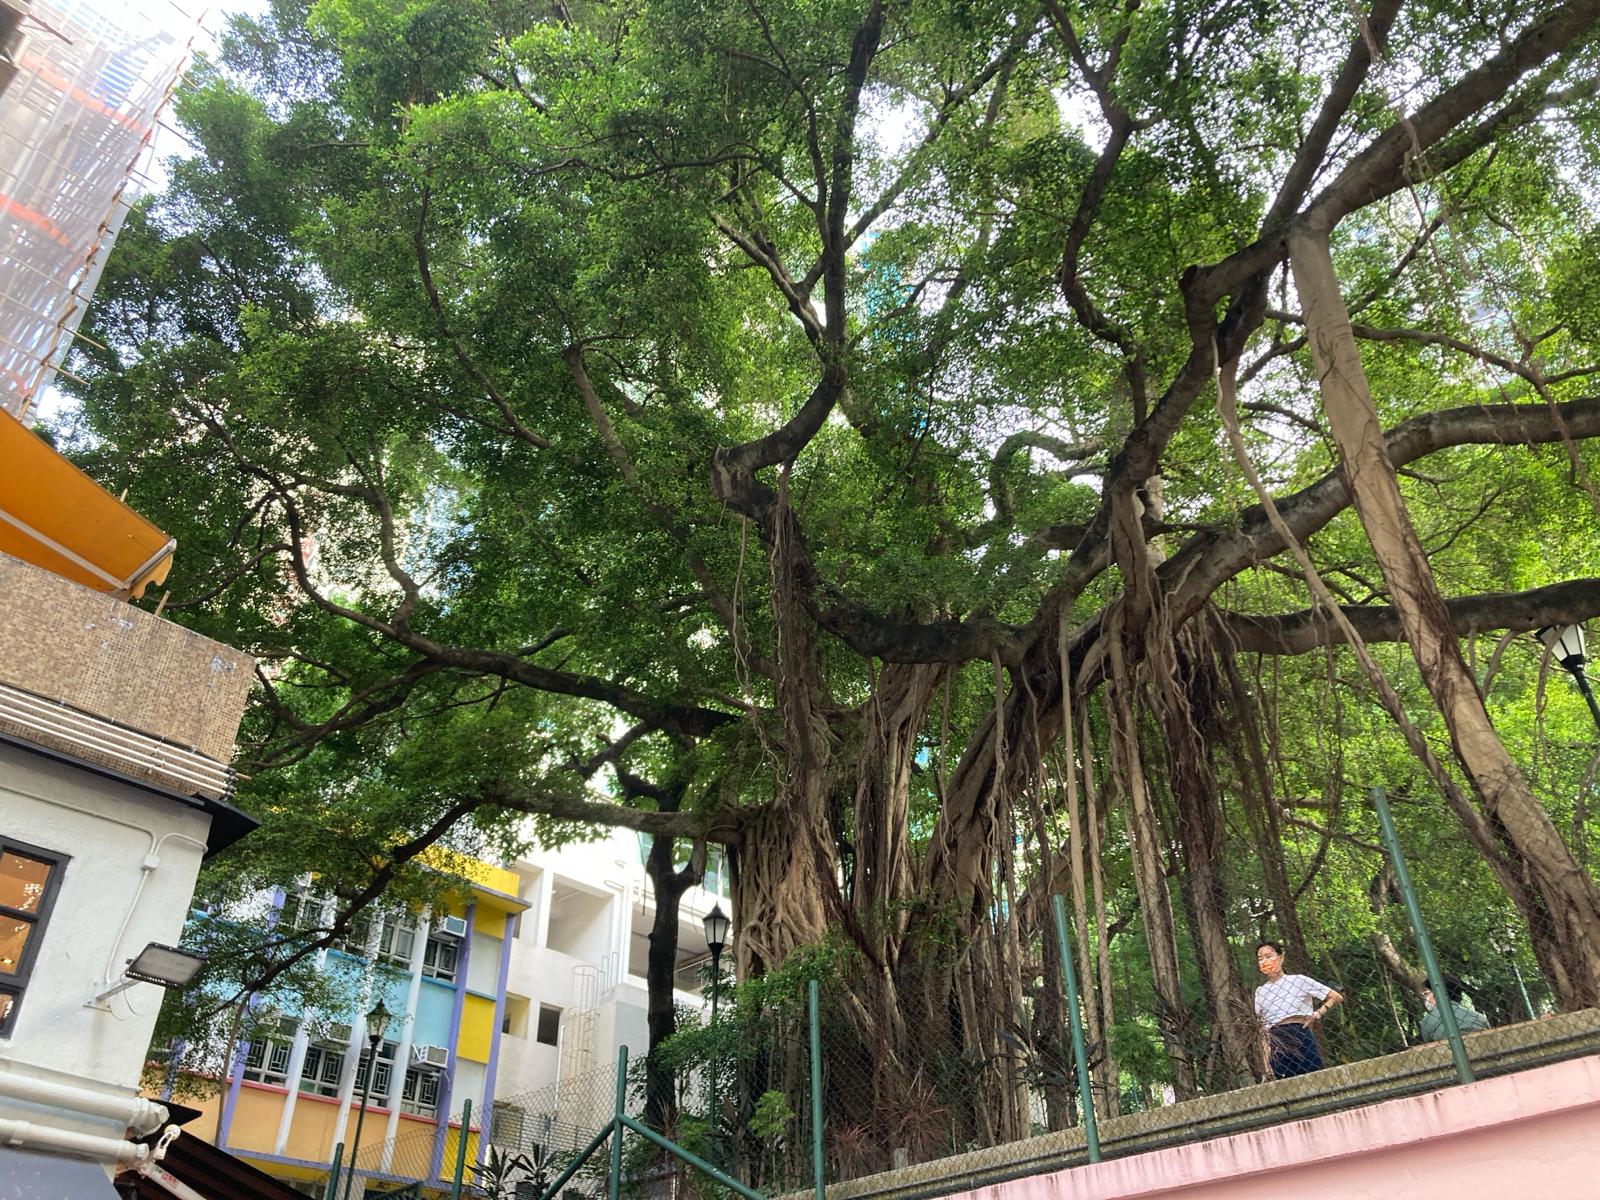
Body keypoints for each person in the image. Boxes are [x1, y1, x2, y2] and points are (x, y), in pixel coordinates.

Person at [1254, 941, 1344, 1079]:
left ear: (1281, 958)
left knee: (1314, 1075)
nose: (1265, 961)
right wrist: (1266, 1067)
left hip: (1300, 1030)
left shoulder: (1298, 981)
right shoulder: (1261, 991)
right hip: (1276, 1038)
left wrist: (1318, 1013)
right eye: (1260, 958)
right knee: (1285, 1080)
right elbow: (1262, 1031)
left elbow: (1335, 997)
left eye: (1268, 956)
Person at [1419, 983, 1489, 1042]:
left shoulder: (1427, 1021)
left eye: (1426, 993)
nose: (1425, 998)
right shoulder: (1480, 1018)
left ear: (1437, 994)